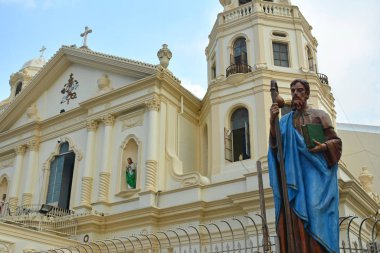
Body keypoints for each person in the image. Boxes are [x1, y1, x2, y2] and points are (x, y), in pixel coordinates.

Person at [268, 79, 342, 253]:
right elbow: (275, 145)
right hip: (294, 173)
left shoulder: (319, 115)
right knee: (294, 216)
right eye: (293, 90)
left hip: (316, 173)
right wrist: (273, 121)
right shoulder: (285, 121)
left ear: (307, 94)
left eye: (300, 90)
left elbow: (336, 143)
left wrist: (323, 146)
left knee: (315, 210)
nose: (295, 93)